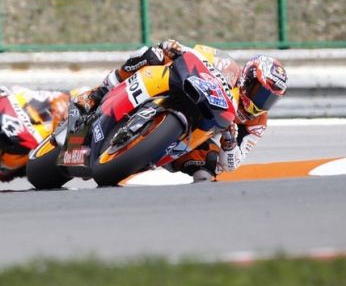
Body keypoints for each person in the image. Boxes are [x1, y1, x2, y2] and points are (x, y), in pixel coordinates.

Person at [75, 40, 288, 182]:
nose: (261, 102)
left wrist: (230, 142)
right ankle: (98, 93)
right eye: (260, 92)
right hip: (187, 89)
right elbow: (195, 53)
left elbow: (231, 164)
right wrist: (176, 47)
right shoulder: (228, 66)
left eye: (269, 99)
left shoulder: (257, 123)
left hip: (196, 136)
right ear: (247, 78)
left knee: (210, 170)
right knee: (154, 54)